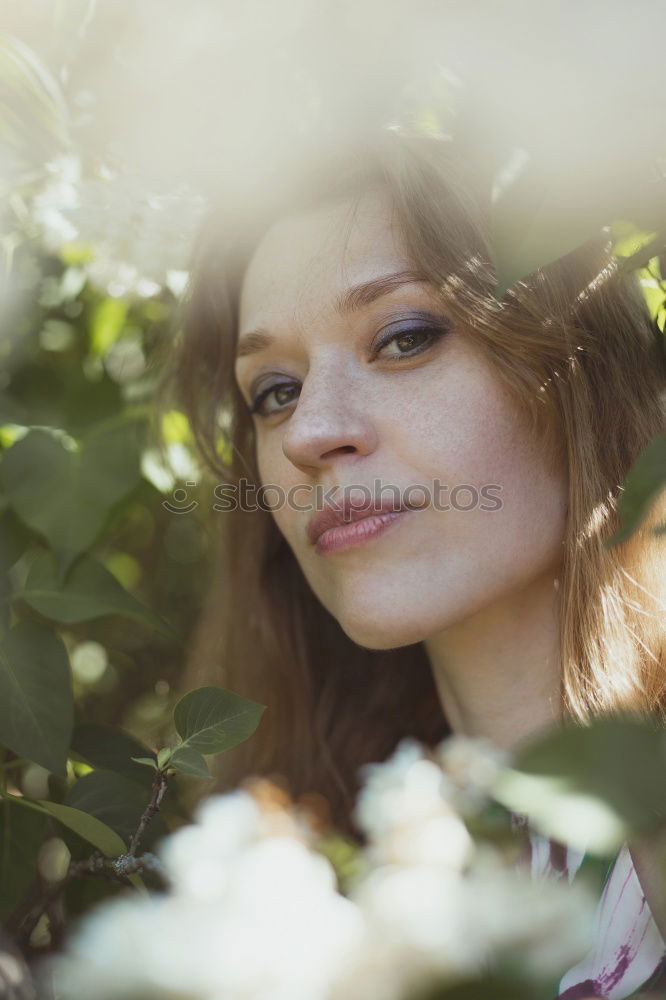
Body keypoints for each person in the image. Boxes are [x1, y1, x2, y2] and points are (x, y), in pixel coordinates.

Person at [161, 128, 666, 997]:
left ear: (583, 370)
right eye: (274, 393)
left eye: (403, 338)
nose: (312, 435)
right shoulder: (308, 903)